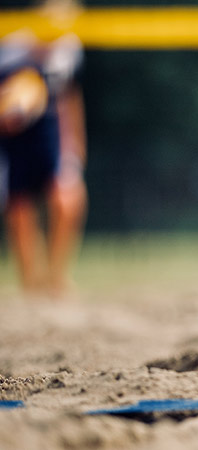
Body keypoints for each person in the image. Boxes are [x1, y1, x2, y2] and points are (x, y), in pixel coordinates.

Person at [0, 23, 87, 297]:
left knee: (67, 197)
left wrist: (76, 142)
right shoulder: (11, 46)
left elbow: (70, 96)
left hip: (52, 133)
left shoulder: (69, 48)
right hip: (14, 139)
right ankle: (30, 283)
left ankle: (56, 278)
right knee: (19, 204)